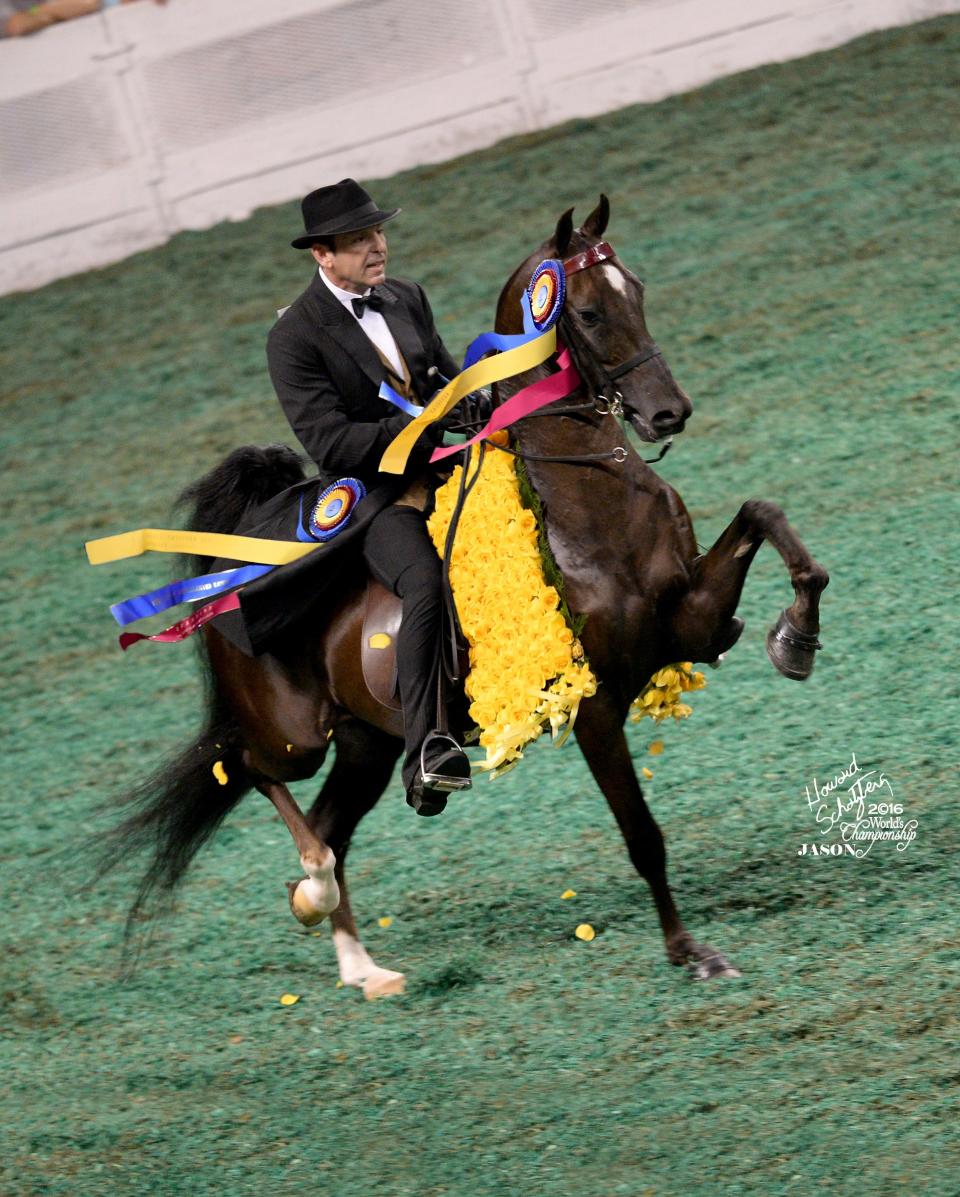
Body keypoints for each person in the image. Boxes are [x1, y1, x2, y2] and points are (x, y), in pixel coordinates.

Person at [266, 178, 472, 816]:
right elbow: (330, 442)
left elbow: (442, 374)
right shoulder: (295, 337)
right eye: (358, 241)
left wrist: (474, 397)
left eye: (377, 233)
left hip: (449, 462)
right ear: (321, 254)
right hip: (378, 494)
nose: (377, 247)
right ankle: (427, 747)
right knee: (427, 584)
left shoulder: (406, 296)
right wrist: (419, 426)